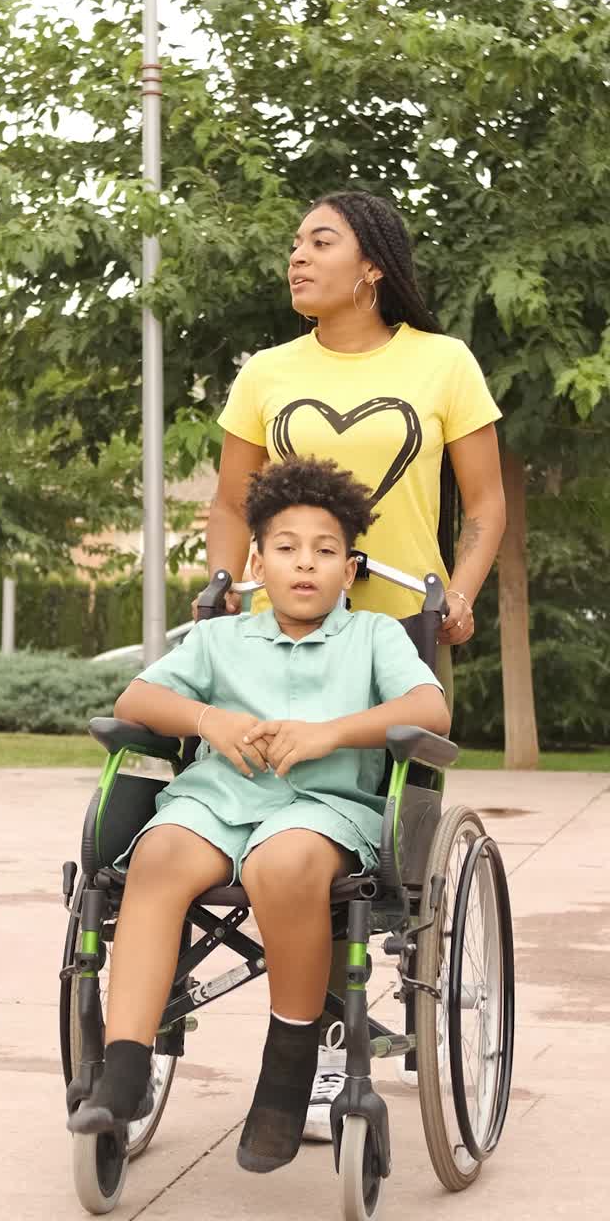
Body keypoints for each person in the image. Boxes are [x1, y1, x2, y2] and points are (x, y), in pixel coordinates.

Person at [200, 189, 506, 1136]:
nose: (297, 257)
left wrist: (460, 593)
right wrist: (224, 583)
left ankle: (335, 1044)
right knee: (272, 818)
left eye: (319, 242)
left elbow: (485, 504)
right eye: (294, 243)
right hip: (282, 635)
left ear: (372, 264)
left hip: (397, 635)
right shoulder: (267, 372)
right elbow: (231, 502)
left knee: (365, 857)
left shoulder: (442, 363)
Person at [69, 457, 450, 1176]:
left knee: (285, 862)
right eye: (286, 547)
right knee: (158, 856)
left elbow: (430, 709)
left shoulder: (374, 637)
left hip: (323, 809)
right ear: (256, 563)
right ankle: (123, 1066)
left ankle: (287, 1068)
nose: (305, 563)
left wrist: (330, 733)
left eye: (325, 550)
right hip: (218, 801)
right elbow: (136, 701)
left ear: (349, 569)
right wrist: (209, 720)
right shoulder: (219, 639)